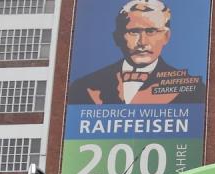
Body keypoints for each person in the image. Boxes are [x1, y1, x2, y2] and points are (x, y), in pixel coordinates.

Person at [67, 0, 206, 105]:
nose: (142, 42)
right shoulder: (83, 87)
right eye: (133, 32)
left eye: (151, 31)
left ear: (166, 37)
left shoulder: (193, 89)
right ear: (118, 37)